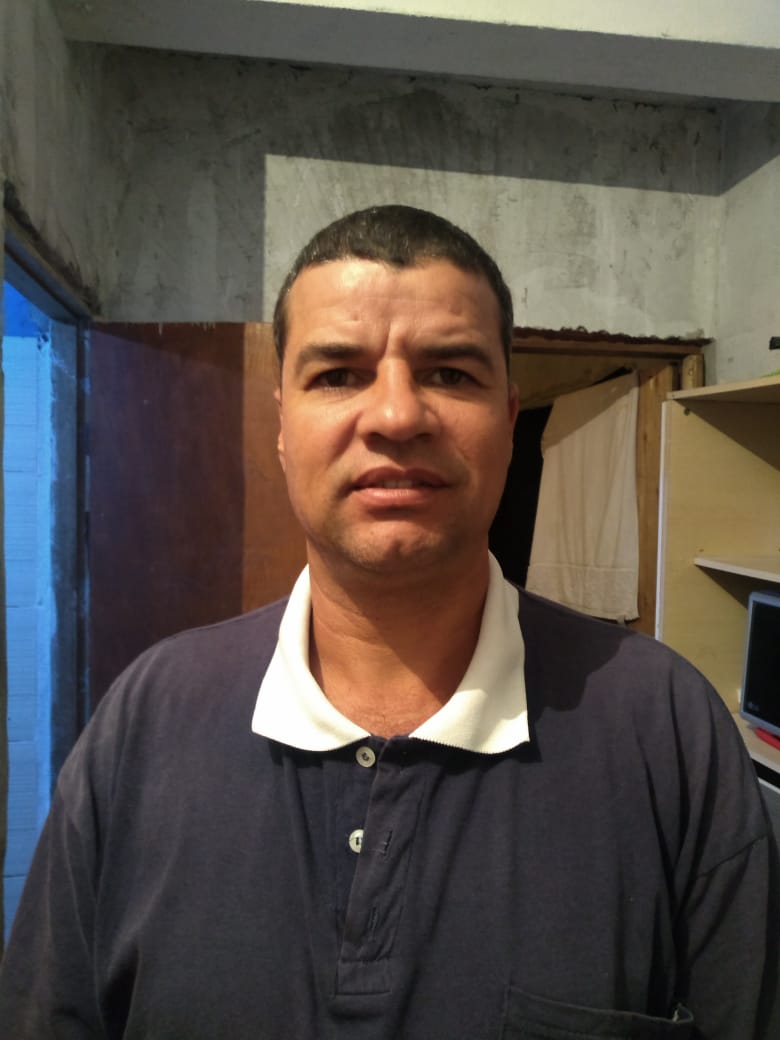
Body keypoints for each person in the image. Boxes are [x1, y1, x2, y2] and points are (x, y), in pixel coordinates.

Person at [0, 205, 777, 1039]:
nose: (397, 416)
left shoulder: (666, 729)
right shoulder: (148, 720)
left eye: (451, 373)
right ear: (282, 429)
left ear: (509, 420)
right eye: (339, 374)